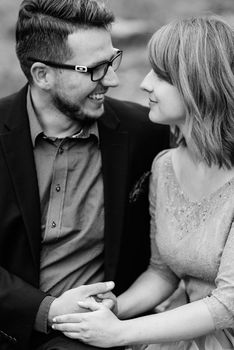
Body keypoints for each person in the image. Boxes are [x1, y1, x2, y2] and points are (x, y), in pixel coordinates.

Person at [51, 14, 234, 350]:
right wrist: (115, 308)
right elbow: (163, 271)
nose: (145, 83)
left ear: (199, 84)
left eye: (162, 76)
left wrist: (120, 333)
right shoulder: (165, 166)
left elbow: (228, 305)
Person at [0, 0, 170, 349]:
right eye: (94, 69)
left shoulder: (145, 132)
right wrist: (44, 309)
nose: (112, 79)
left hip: (93, 337)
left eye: (112, 60)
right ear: (42, 75)